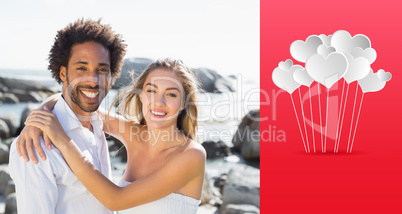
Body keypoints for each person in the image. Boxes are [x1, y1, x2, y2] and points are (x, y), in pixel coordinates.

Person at [18, 58, 206, 213]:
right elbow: (75, 107)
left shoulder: (192, 155)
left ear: (183, 103)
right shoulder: (134, 134)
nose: (159, 102)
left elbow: (115, 200)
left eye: (171, 95)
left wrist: (64, 142)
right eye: (151, 91)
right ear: (141, 95)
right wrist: (38, 116)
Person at [8, 18, 127, 214]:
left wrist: (46, 105)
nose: (93, 80)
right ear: (63, 73)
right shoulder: (35, 145)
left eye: (102, 69)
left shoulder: (97, 123)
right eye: (81, 68)